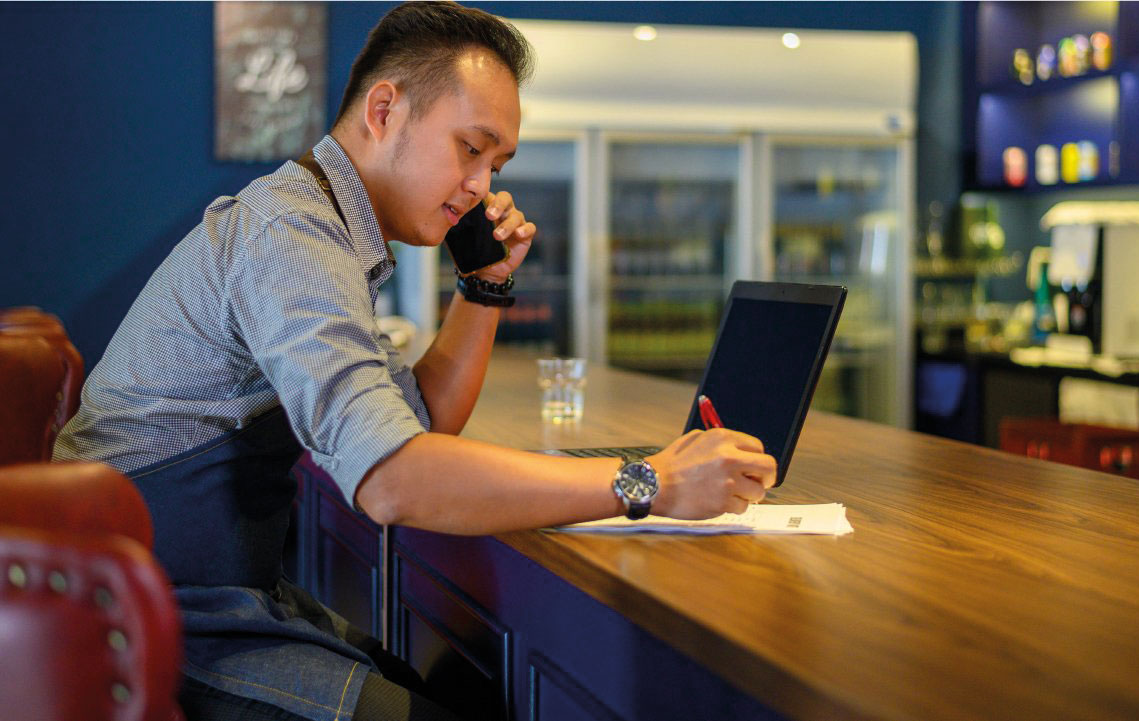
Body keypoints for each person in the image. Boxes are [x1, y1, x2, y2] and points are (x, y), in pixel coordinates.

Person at [53, 2, 777, 720]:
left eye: (496, 164)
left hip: (207, 601)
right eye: (471, 148)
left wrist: (485, 285)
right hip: (145, 623)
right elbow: (393, 477)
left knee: (444, 690)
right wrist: (650, 480)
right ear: (384, 110)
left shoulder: (323, 227)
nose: (482, 188)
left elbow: (419, 421)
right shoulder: (292, 234)